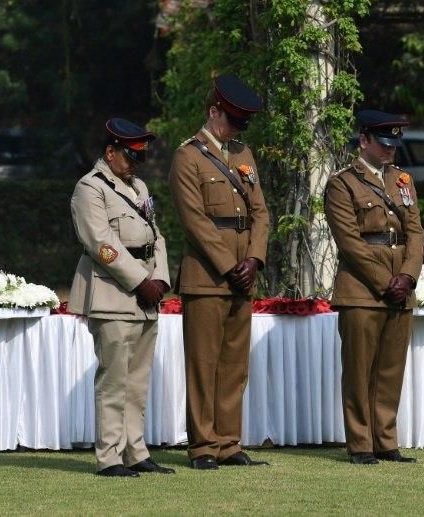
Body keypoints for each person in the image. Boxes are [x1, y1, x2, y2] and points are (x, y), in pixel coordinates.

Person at [169, 75, 271, 470]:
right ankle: (203, 447)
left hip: (243, 271)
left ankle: (229, 443)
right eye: (231, 120)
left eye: (241, 123)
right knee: (204, 363)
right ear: (213, 113)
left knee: (233, 365)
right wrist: (231, 266)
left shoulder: (244, 154)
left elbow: (260, 212)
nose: (236, 129)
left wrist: (254, 259)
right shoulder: (188, 157)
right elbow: (194, 221)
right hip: (208, 276)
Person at [68, 118, 173, 477]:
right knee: (114, 379)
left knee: (137, 380)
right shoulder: (90, 188)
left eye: (139, 157)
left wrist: (159, 278)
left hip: (145, 295)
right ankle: (109, 456)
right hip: (112, 293)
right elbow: (101, 245)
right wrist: (141, 281)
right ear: (110, 152)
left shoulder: (138, 186)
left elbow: (155, 235)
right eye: (130, 156)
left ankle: (136, 451)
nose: (135, 163)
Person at [324, 109, 424, 465]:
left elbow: (416, 233)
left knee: (390, 370)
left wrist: (409, 276)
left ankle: (386, 440)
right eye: (383, 143)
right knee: (359, 369)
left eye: (394, 144)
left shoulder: (402, 181)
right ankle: (361, 443)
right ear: (364, 140)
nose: (390, 150)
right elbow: (349, 242)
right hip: (362, 288)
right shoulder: (342, 183)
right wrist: (387, 282)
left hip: (401, 285)